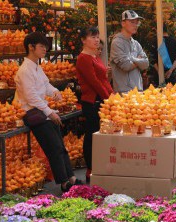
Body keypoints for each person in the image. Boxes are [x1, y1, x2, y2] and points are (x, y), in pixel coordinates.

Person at [16, 32, 82, 192]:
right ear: (31, 47)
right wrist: (49, 112)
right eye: (41, 46)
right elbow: (31, 97)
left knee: (60, 145)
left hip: (42, 111)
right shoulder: (25, 70)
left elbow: (46, 85)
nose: (45, 49)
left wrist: (55, 92)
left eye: (45, 46)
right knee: (54, 147)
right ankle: (64, 182)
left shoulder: (37, 68)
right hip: (32, 113)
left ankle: (71, 178)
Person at [76, 27, 114, 183]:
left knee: (99, 136)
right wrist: (109, 98)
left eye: (98, 37)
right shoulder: (83, 58)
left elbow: (103, 80)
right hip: (92, 102)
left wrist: (112, 96)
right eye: (93, 37)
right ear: (83, 40)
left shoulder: (95, 56)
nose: (96, 40)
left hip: (101, 101)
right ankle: (90, 170)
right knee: (92, 136)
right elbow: (94, 82)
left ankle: (98, 167)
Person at [110, 10, 149, 93]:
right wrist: (138, 60)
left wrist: (131, 58)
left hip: (138, 91)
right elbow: (126, 66)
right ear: (123, 23)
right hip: (123, 93)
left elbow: (146, 64)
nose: (135, 25)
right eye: (132, 22)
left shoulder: (136, 43)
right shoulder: (117, 42)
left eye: (137, 22)